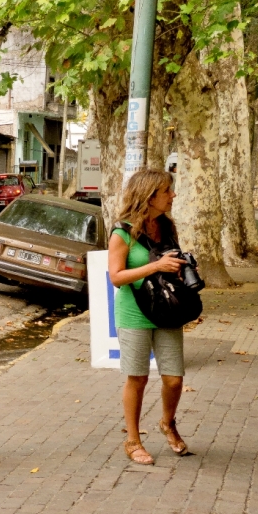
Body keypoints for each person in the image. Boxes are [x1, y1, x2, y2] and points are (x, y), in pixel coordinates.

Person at [108, 167, 188, 466]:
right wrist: (155, 267)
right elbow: (116, 277)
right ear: (149, 194)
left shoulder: (166, 226)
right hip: (134, 312)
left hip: (166, 309)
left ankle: (168, 423)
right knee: (138, 378)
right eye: (167, 190)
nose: (172, 195)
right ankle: (133, 439)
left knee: (174, 379)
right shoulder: (123, 231)